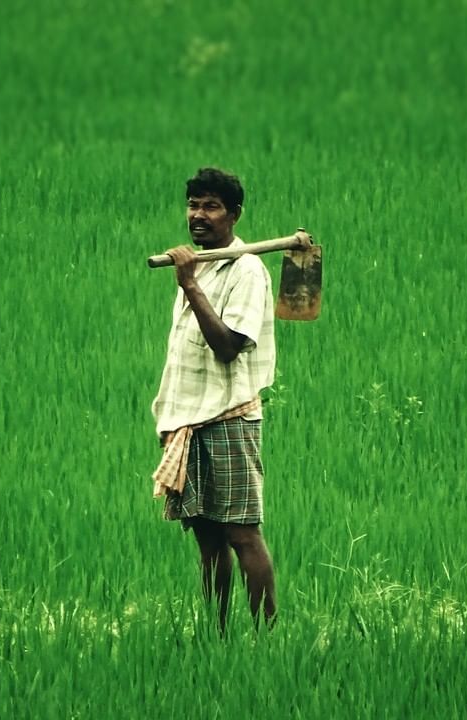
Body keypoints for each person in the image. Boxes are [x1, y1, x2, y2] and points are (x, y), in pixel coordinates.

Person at [151, 167, 277, 632]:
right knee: (206, 537)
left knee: (241, 533)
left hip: (227, 418)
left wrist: (189, 284)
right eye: (193, 205)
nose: (198, 216)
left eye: (211, 206)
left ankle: (265, 637)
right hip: (188, 418)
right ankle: (215, 633)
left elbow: (227, 347)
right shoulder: (200, 264)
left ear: (234, 214)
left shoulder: (246, 270)